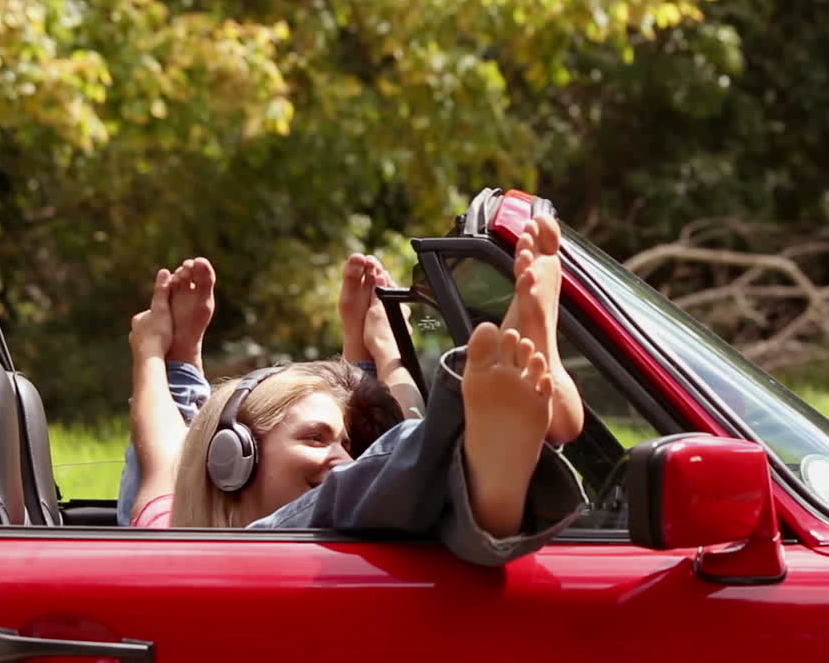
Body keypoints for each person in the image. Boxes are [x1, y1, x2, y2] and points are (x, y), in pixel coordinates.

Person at [126, 215, 588, 564]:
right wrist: (151, 349)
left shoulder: (163, 520)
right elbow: (165, 451)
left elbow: (167, 437)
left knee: (389, 454)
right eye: (314, 438)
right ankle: (480, 450)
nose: (342, 456)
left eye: (345, 442)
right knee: (377, 471)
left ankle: (490, 476)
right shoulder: (173, 536)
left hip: (436, 512)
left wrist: (381, 360)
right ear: (231, 461)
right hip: (257, 551)